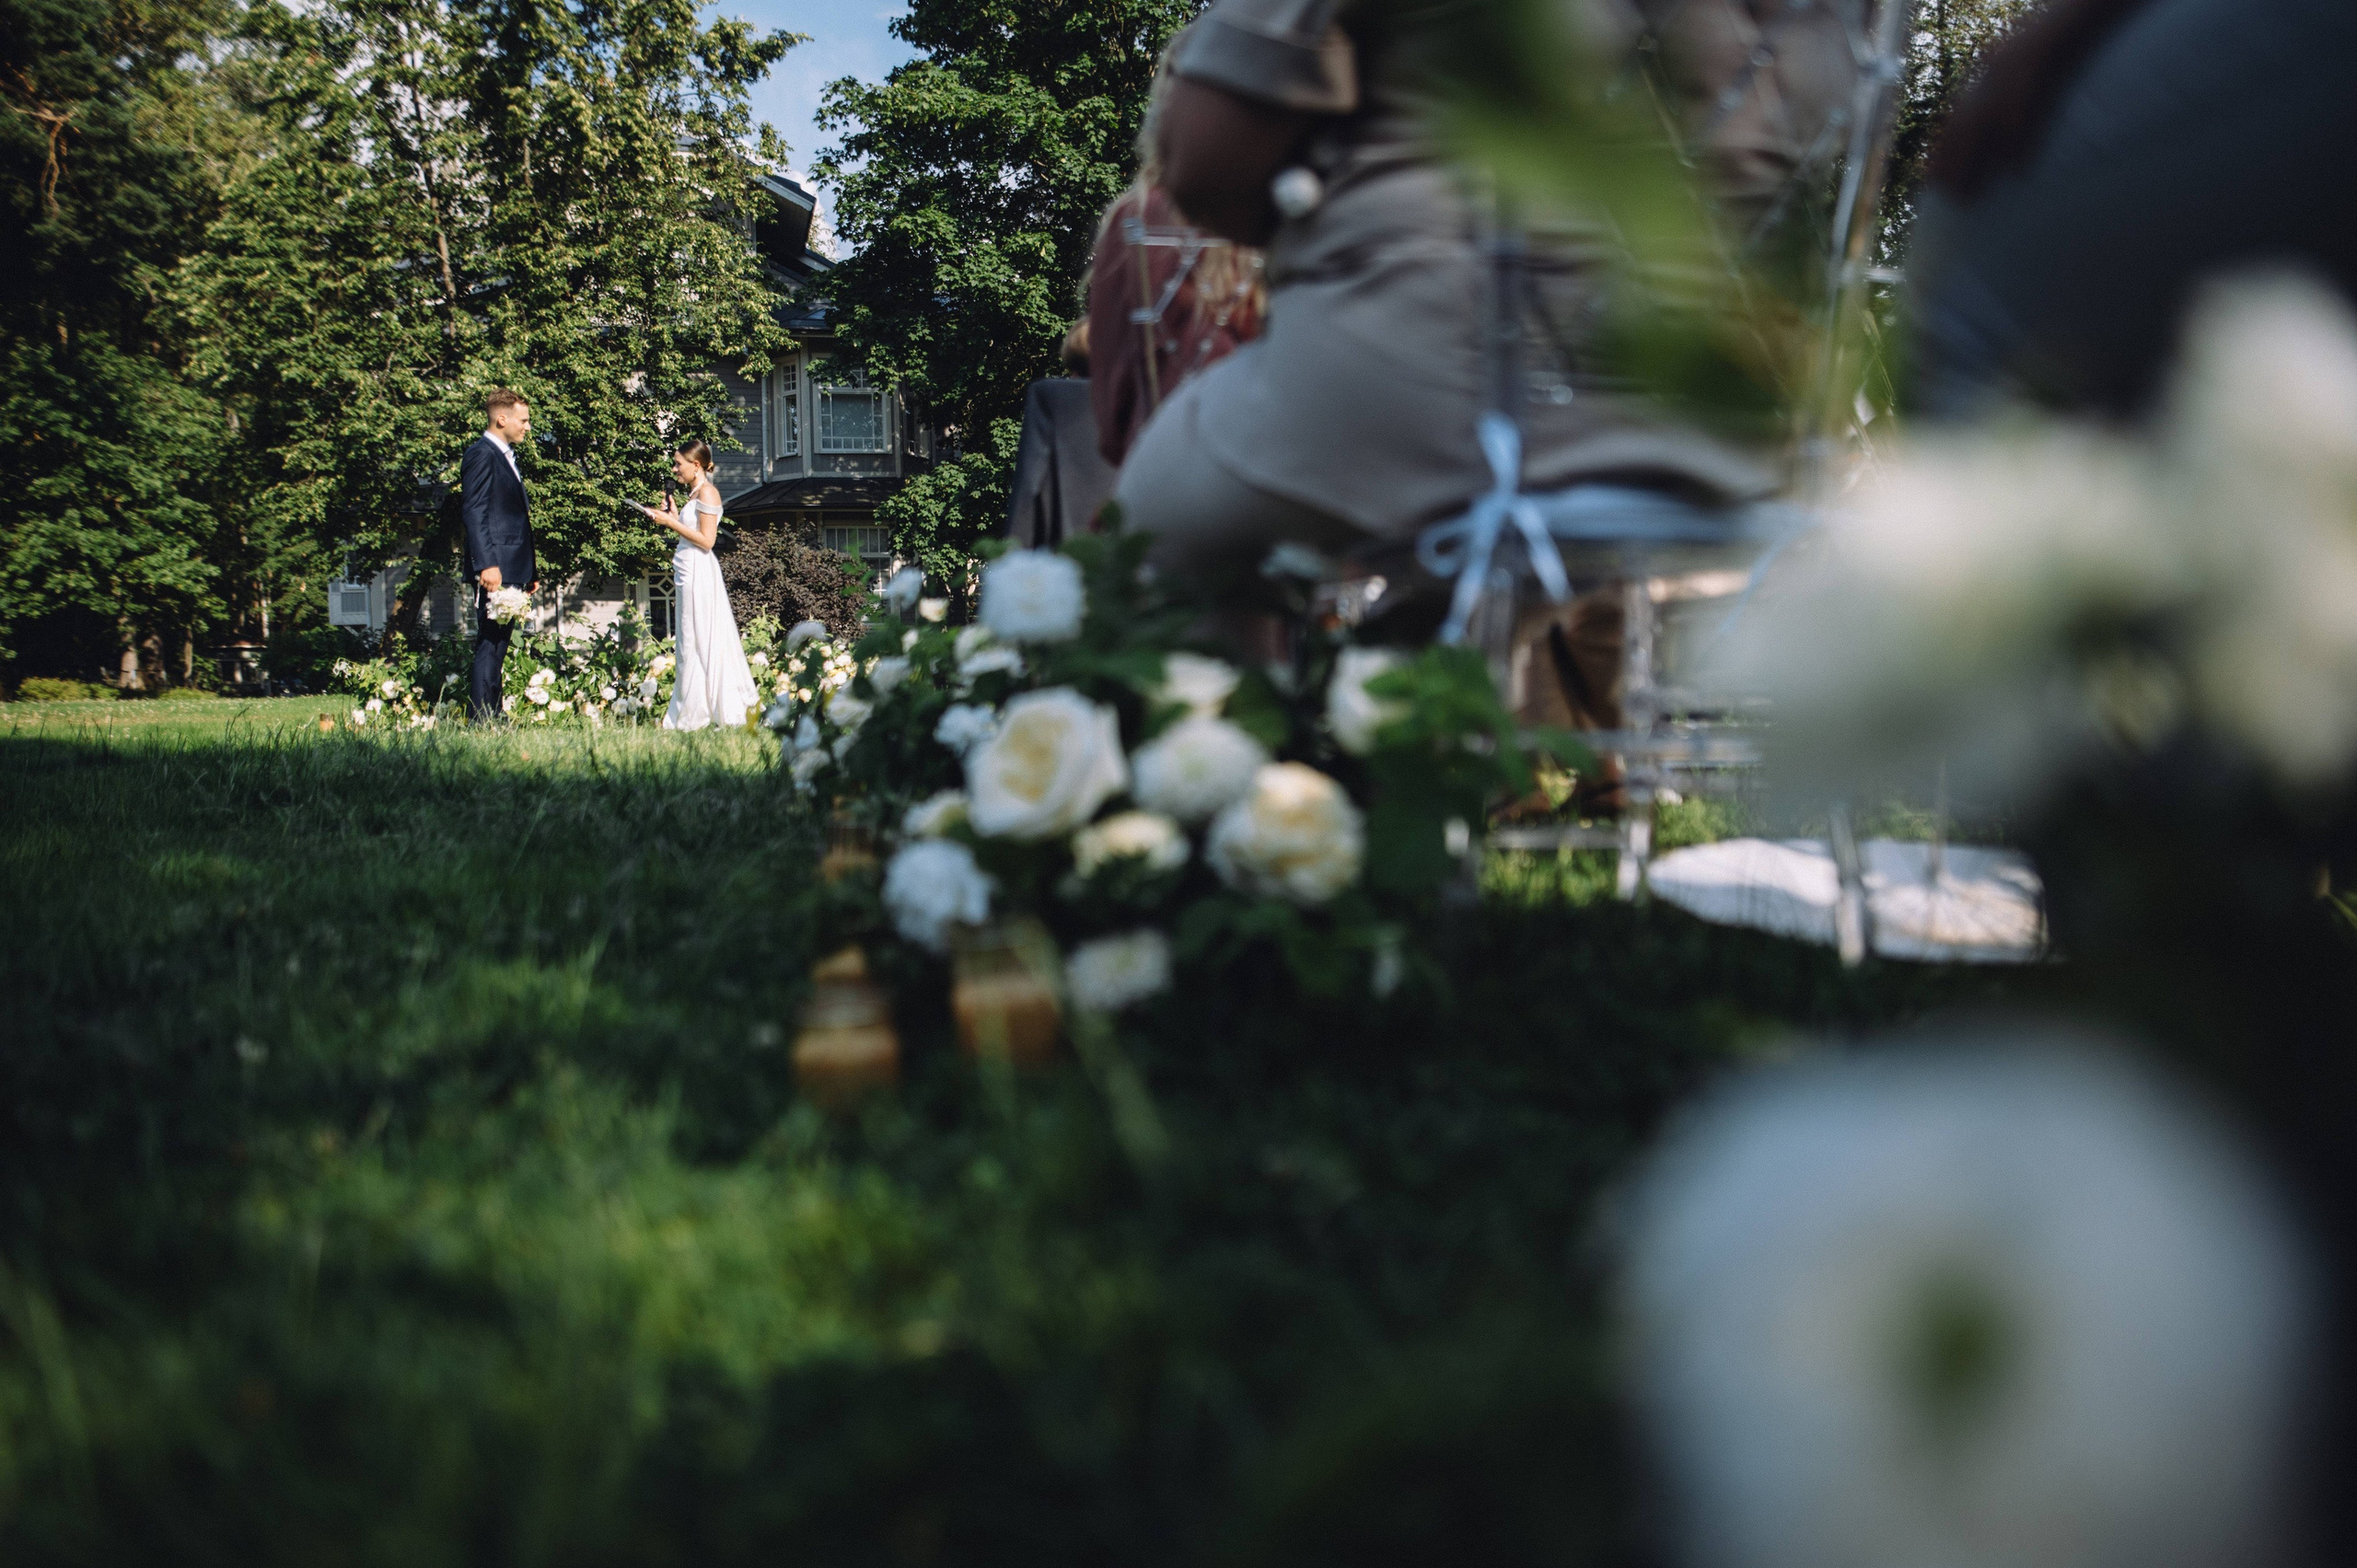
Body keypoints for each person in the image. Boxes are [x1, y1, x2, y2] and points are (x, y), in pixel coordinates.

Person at [1113, 0, 1859, 600]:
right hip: (1728, 410)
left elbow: (1203, 162)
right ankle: (1427, 709)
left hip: (1437, 387)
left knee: (1153, 517)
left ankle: (1236, 741)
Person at [636, 439, 760, 730]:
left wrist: (670, 523)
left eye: (678, 464)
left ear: (695, 464)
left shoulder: (708, 492)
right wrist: (673, 515)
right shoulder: (693, 494)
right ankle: (693, 707)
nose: (674, 469)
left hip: (698, 571)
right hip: (686, 569)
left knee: (697, 636)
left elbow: (707, 540)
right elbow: (689, 531)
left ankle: (706, 711)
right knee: (688, 638)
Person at [461, 388, 539, 723]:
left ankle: (493, 713)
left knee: (499, 644)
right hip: (495, 566)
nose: (528, 427)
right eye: (523, 420)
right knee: (490, 642)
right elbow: (475, 511)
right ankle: (482, 717)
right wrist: (487, 564)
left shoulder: (505, 456)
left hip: (513, 565)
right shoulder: (481, 454)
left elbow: (513, 518)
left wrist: (530, 571)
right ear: (501, 419)